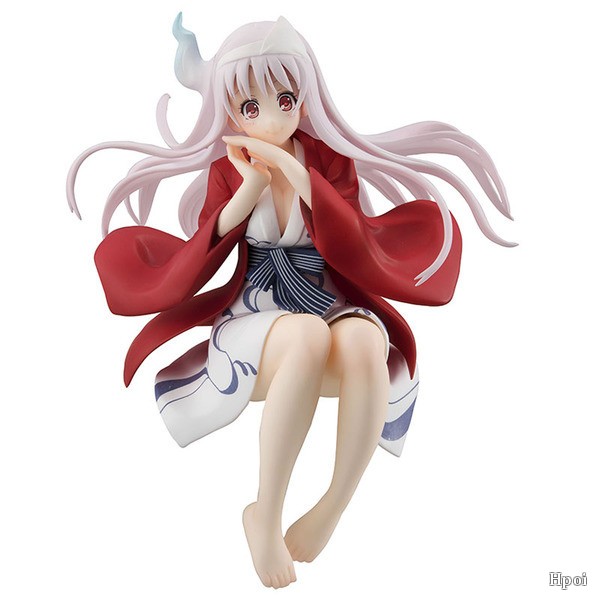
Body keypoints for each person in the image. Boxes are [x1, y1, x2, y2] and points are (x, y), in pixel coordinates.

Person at [67, 15, 514, 588]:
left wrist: (293, 171)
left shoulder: (329, 159)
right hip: (254, 314)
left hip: (326, 301)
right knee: (305, 335)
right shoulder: (227, 170)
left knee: (366, 339)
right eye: (252, 108)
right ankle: (265, 512)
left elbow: (350, 234)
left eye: (285, 100)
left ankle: (332, 506)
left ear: (304, 98)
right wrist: (252, 184)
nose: (273, 120)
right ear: (232, 113)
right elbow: (206, 245)